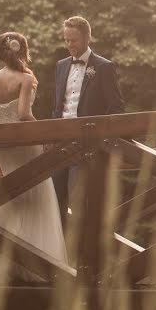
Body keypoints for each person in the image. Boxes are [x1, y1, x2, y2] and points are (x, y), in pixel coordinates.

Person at [0, 31, 68, 282]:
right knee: (36, 191)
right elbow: (25, 114)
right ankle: (38, 267)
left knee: (12, 193)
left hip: (5, 147)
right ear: (23, 51)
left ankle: (3, 264)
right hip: (26, 143)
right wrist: (45, 135)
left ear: (0, 54)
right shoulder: (25, 79)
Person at [51, 16, 125, 225]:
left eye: (73, 40)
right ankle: (60, 255)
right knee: (55, 202)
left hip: (87, 146)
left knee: (78, 203)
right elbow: (57, 106)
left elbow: (117, 107)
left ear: (87, 37)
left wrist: (105, 141)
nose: (69, 45)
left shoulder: (103, 67)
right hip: (60, 143)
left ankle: (81, 254)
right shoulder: (60, 66)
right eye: (66, 40)